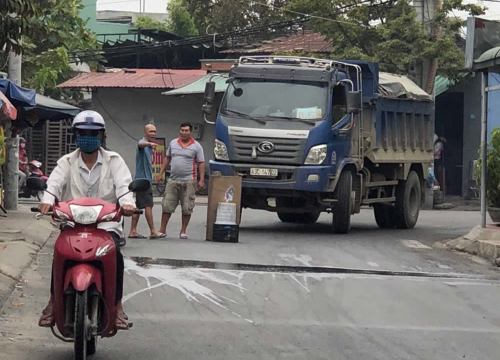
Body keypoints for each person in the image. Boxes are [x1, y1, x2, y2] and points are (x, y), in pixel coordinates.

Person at [37, 110, 136, 330]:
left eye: (93, 133)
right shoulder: (67, 161)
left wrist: (128, 203)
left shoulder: (114, 160)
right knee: (59, 253)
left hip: (106, 223)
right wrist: (47, 200)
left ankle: (117, 305)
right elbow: (53, 184)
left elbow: (124, 186)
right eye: (82, 132)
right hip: (73, 223)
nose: (87, 137)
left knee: (116, 256)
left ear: (101, 135)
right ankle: (53, 301)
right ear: (75, 135)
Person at [159, 122, 205, 239]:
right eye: (182, 130)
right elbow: (167, 158)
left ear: (190, 132)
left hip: (189, 181)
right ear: (180, 131)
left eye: (186, 130)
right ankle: (162, 230)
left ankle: (183, 231)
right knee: (167, 205)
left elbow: (201, 163)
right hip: (173, 180)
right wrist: (160, 173)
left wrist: (201, 180)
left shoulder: (197, 146)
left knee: (187, 207)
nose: (184, 132)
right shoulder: (173, 143)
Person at [128, 124, 165, 239]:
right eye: (150, 131)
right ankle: (153, 231)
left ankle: (132, 231)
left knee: (138, 206)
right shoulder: (143, 144)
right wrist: (149, 143)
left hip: (141, 180)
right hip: (143, 181)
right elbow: (140, 144)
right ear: (145, 132)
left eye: (154, 131)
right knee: (148, 205)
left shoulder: (149, 147)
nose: (153, 134)